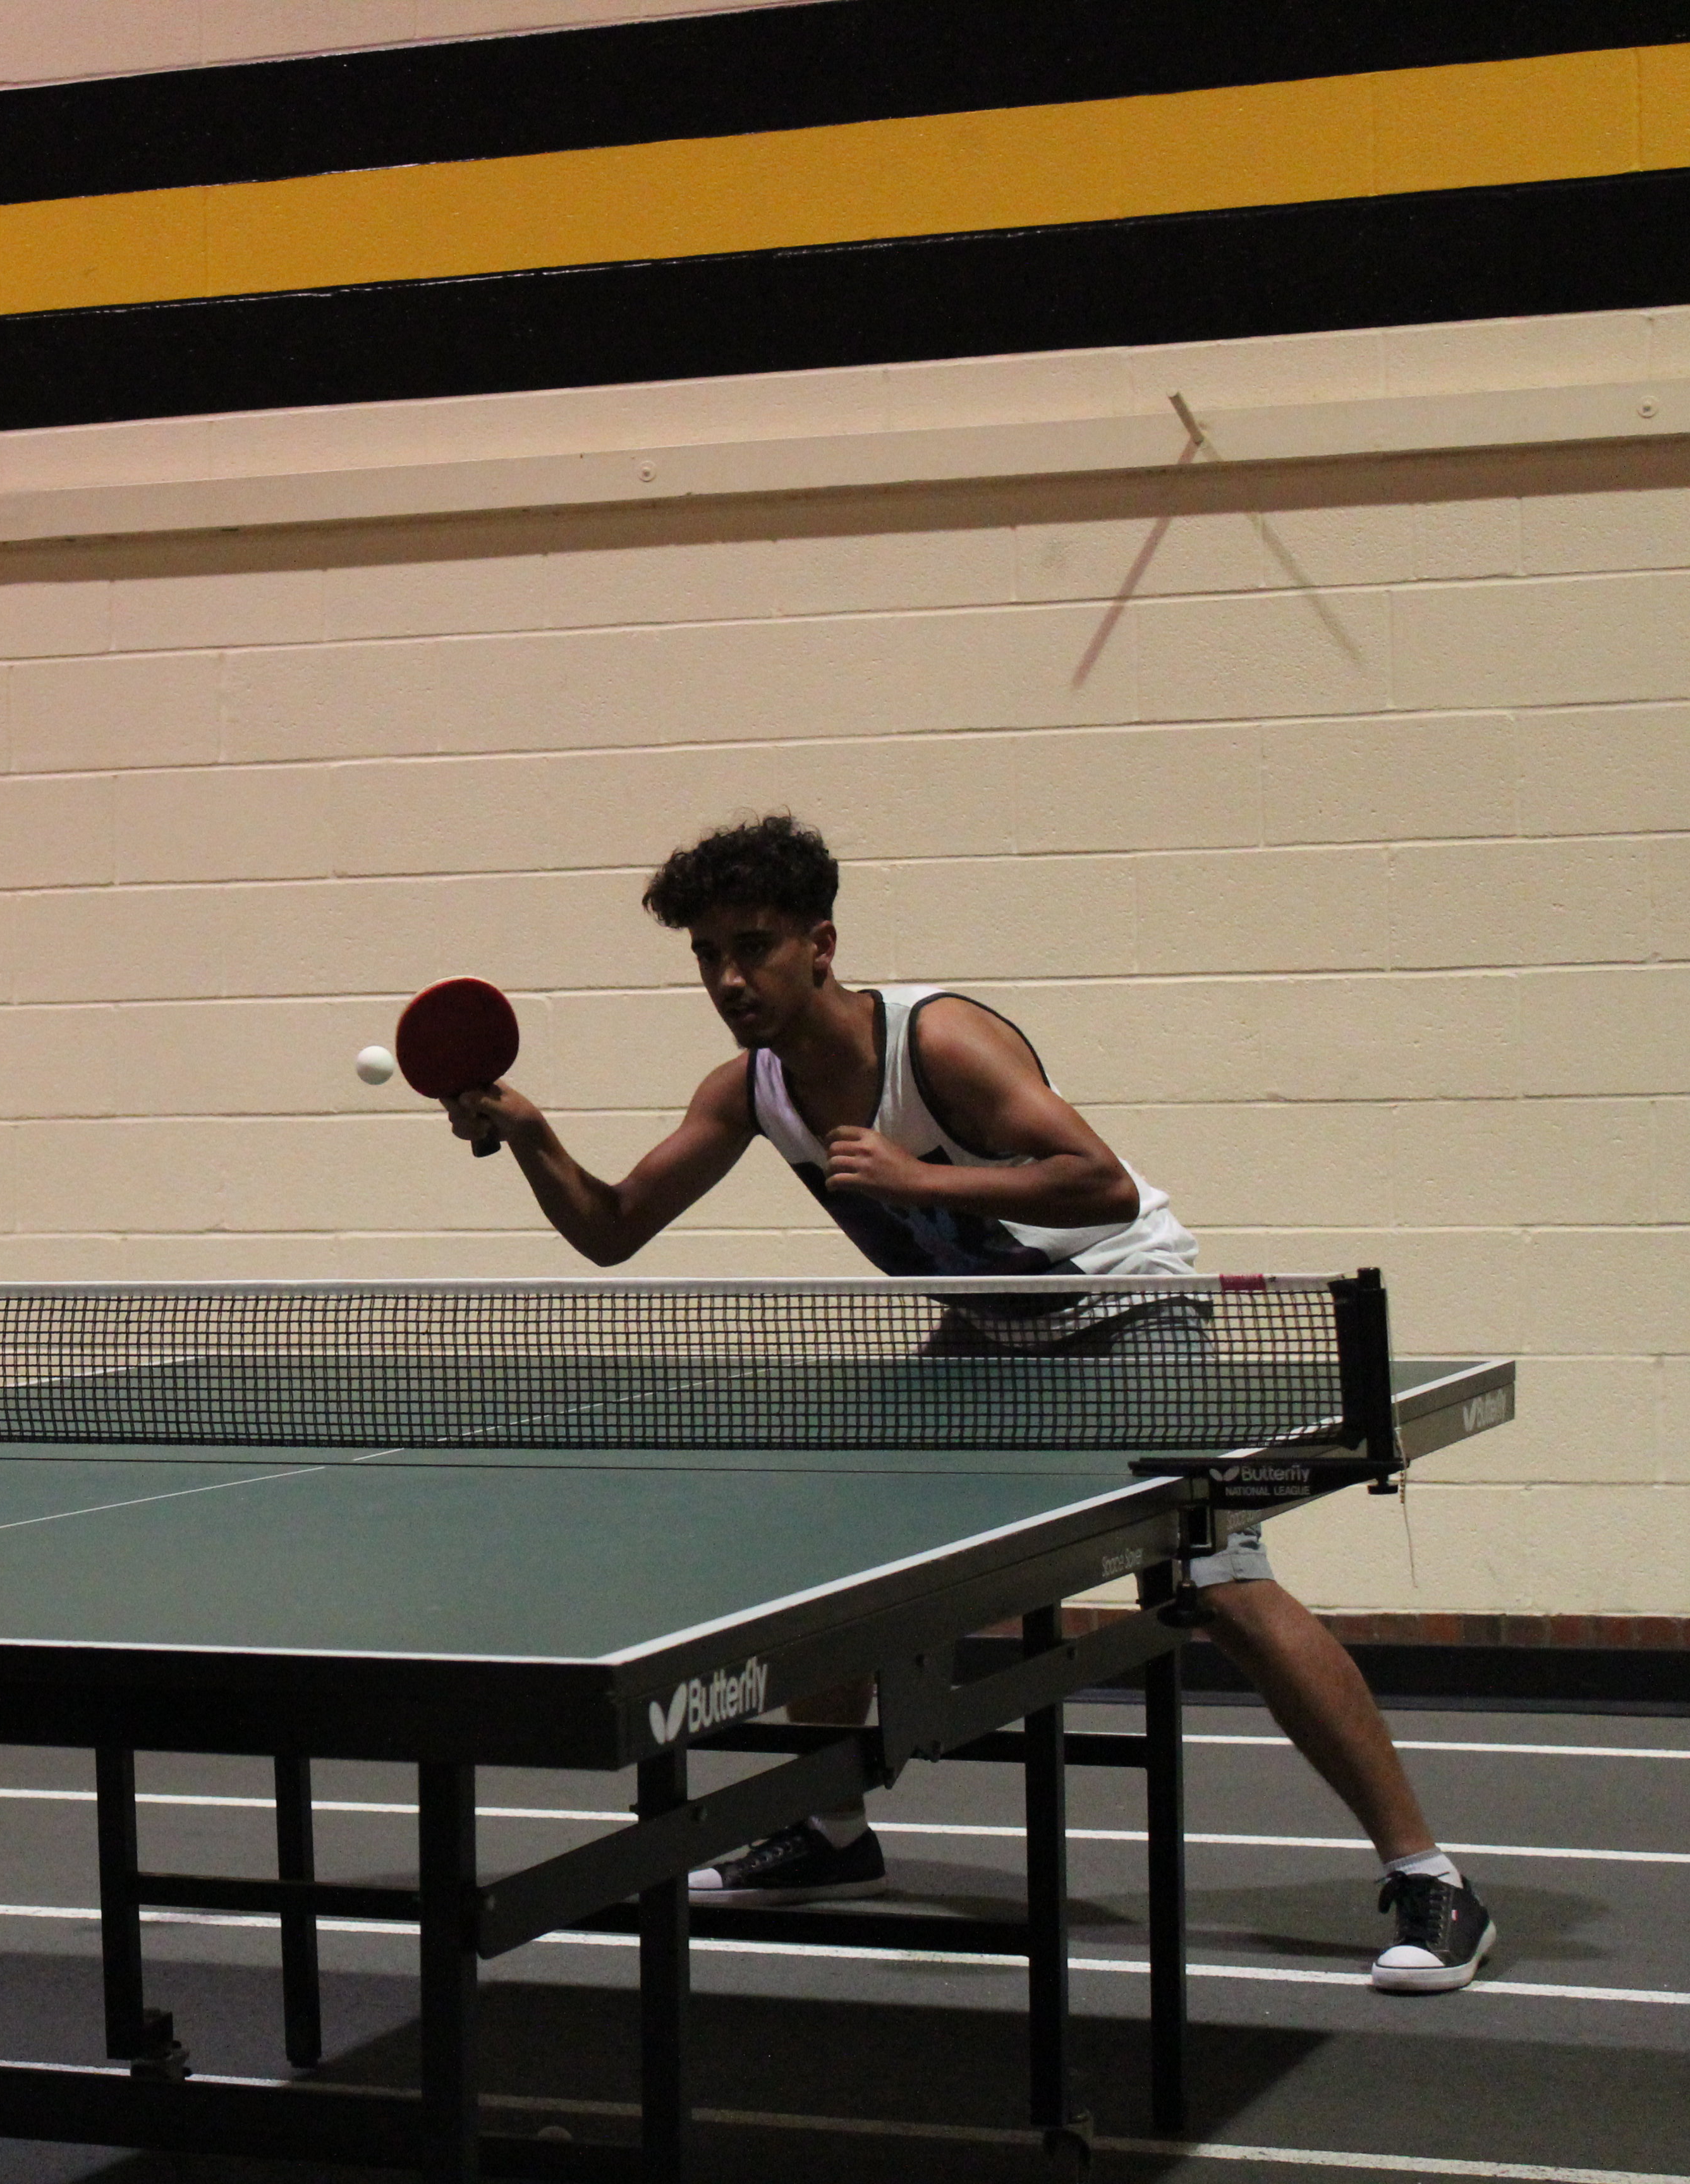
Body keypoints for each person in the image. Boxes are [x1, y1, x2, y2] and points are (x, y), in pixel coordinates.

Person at [442, 813, 1494, 1996]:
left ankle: (1432, 1877)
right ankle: (831, 1832)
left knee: (1220, 1584)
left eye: (754, 945)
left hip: (1128, 1317)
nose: (730, 978)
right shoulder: (752, 1090)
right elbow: (613, 1230)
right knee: (835, 1551)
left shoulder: (940, 1042)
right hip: (995, 1334)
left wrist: (921, 1177)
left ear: (821, 942)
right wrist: (532, 1136)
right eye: (706, 956)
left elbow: (1096, 1183)